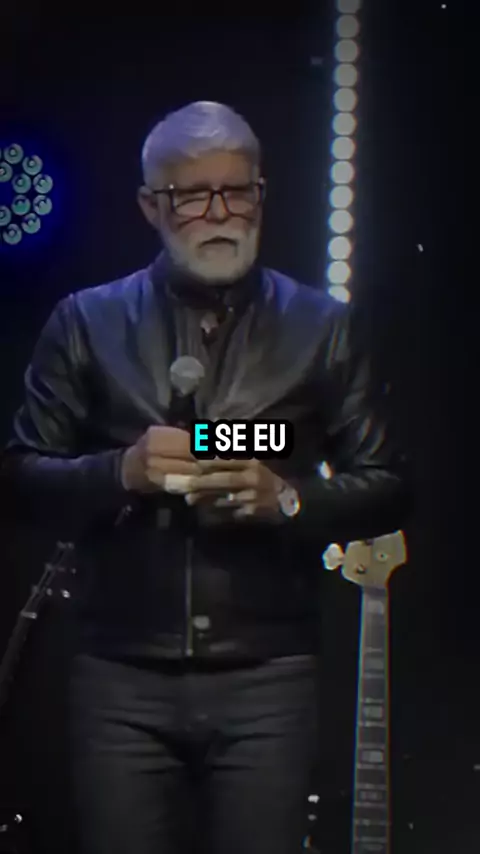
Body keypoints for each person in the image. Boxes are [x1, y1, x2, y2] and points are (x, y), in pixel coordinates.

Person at [1, 101, 410, 854]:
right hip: (120, 676)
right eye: (193, 195)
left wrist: (288, 499)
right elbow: (21, 478)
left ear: (262, 194)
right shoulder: (87, 323)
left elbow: (388, 482)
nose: (219, 213)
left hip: (269, 678)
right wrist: (121, 471)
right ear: (150, 206)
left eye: (237, 191)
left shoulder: (323, 329)